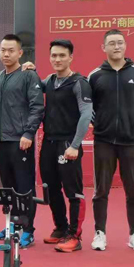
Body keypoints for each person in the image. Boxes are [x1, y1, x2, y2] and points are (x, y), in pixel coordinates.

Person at [89, 29, 134, 252]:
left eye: (120, 43)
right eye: (111, 43)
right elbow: (89, 107)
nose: (116, 47)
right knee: (101, 190)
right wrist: (101, 126)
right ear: (103, 47)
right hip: (103, 141)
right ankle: (100, 233)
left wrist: (133, 127)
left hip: (131, 142)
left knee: (133, 190)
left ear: (125, 46)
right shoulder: (95, 75)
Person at [0, 34, 44, 248]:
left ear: (20, 53)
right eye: (2, 50)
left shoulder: (29, 75)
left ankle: (28, 230)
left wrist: (28, 133)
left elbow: (37, 107)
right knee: (8, 188)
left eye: (11, 50)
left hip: (21, 141)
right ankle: (12, 225)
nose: (6, 54)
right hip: (2, 142)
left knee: (25, 188)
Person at [39, 40, 92, 253]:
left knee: (73, 191)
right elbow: (34, 85)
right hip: (48, 143)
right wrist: (29, 70)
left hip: (69, 144)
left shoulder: (79, 83)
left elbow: (86, 114)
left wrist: (75, 145)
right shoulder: (49, 81)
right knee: (51, 188)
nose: (57, 59)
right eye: (54, 55)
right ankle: (61, 228)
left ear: (71, 57)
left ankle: (74, 236)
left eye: (62, 55)